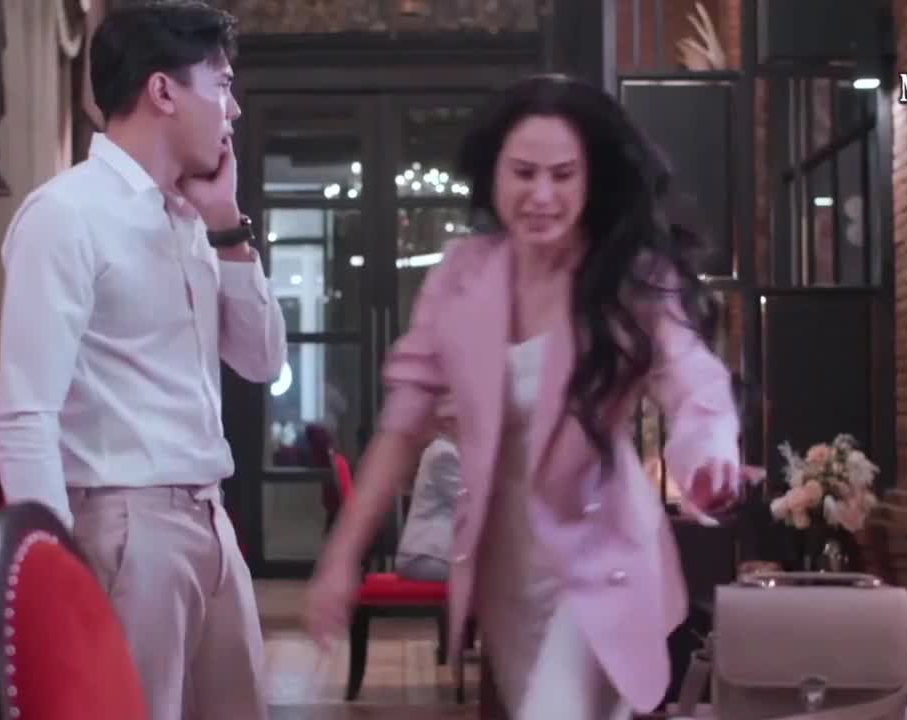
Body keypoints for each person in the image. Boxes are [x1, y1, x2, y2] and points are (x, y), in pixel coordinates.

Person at [304, 74, 757, 720]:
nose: (542, 195)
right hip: (505, 567)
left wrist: (709, 455)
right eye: (523, 173)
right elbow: (401, 428)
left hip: (603, 560)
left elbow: (693, 381)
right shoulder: (460, 277)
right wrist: (341, 558)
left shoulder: (626, 275)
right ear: (494, 174)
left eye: (563, 175)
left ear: (590, 179)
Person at [0, 3, 285, 719]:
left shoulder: (192, 218)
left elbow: (261, 361)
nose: (233, 108)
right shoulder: (66, 214)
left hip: (211, 520)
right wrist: (52, 580)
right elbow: (25, 415)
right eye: (220, 84)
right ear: (162, 91)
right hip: (124, 526)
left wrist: (227, 227)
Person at [394, 398, 461, 582]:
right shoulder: (443, 453)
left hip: (434, 555)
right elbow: (468, 503)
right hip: (425, 557)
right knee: (494, 579)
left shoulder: (449, 450)